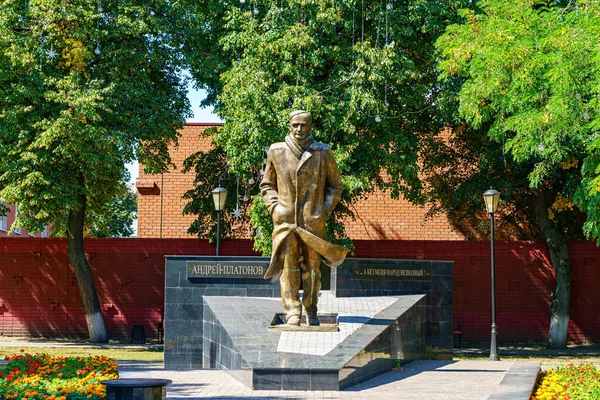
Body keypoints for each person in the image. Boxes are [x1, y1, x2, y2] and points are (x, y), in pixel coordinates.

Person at [260, 110, 347, 326]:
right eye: (295, 125)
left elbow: (335, 186)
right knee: (288, 268)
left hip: (312, 222)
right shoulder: (277, 150)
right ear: (289, 125)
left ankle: (311, 308)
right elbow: (267, 185)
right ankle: (292, 312)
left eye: (304, 125)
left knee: (313, 270)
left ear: (310, 126)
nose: (299, 129)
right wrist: (274, 208)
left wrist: (323, 212)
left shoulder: (322, 152)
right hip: (286, 221)